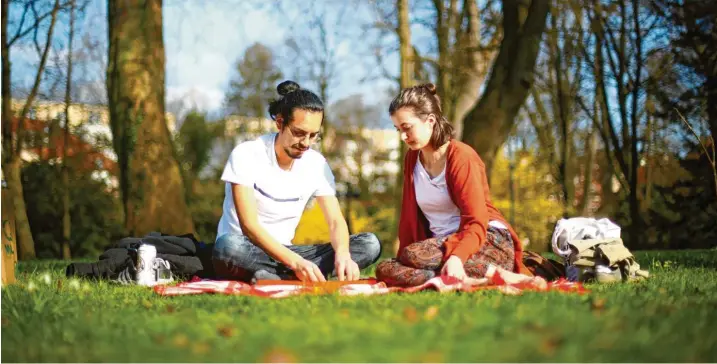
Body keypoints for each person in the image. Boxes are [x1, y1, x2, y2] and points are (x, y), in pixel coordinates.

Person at [213, 80, 381, 283]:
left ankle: (273, 277)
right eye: (299, 133)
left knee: (369, 244)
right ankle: (290, 274)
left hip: (288, 252)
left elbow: (336, 221)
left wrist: (343, 255)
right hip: (247, 249)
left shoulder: (317, 164)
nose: (306, 143)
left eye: (313, 136)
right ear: (280, 123)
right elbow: (249, 226)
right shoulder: (246, 154)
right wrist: (296, 263)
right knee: (227, 246)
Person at [376, 83, 530, 287]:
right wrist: (404, 260)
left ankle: (486, 270)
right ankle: (483, 276)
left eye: (407, 128)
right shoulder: (411, 160)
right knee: (385, 268)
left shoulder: (461, 157)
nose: (403, 136)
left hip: (484, 240)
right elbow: (408, 219)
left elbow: (476, 222)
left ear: (430, 120)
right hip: (439, 248)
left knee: (414, 255)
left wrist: (457, 257)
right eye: (398, 129)